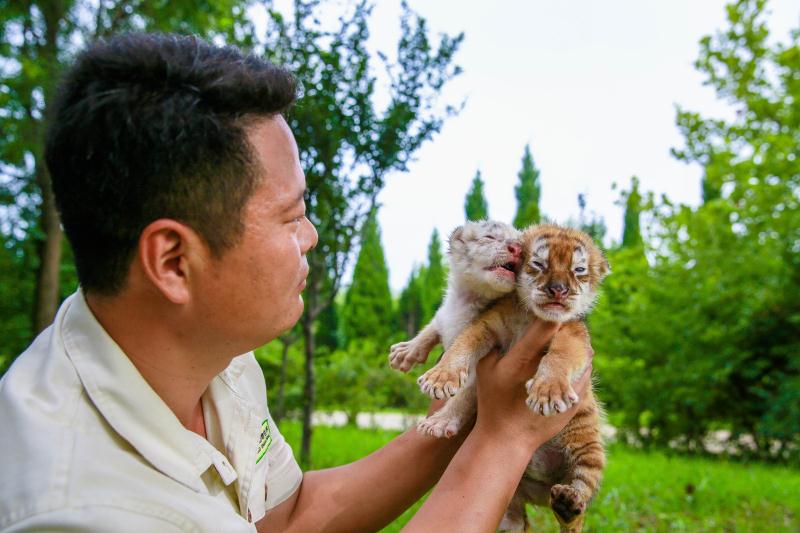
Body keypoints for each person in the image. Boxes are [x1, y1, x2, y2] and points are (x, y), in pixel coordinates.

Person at [0, 33, 591, 532]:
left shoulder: (206, 355)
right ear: (174, 261)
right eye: (291, 216)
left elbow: (289, 517)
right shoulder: (84, 506)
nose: (310, 236)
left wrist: (475, 414)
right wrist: (505, 441)